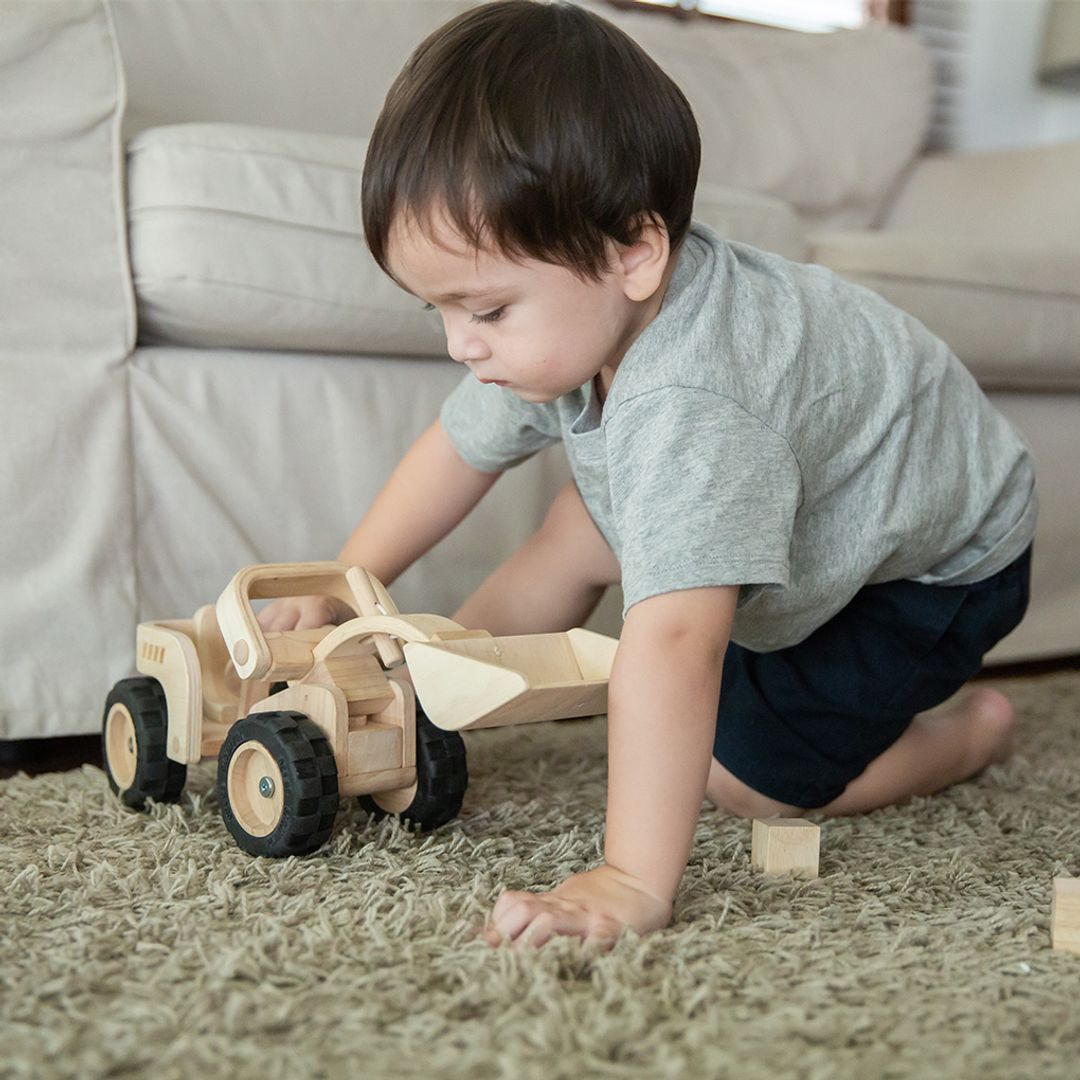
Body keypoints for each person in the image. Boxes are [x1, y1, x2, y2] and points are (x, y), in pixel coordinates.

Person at [257, 0, 1037, 951]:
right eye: (439, 310)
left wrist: (628, 878)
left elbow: (672, 644)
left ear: (634, 250)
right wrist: (343, 589)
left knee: (746, 777)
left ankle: (966, 733)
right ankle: (435, 689)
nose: (462, 344)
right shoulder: (568, 317)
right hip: (815, 490)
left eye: (488, 310)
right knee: (577, 529)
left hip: (932, 567)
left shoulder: (694, 402)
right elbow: (455, 453)